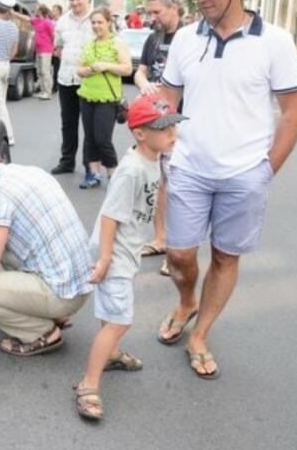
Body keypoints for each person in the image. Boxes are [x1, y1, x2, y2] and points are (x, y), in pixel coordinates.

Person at [157, 0, 297, 379]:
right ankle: (186, 300)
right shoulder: (186, 38)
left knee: (225, 258)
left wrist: (265, 171)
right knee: (180, 254)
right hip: (188, 168)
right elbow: (168, 101)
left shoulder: (275, 42)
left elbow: (293, 113)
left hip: (245, 175)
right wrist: (157, 147)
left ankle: (200, 333)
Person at [73, 94, 186, 421]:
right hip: (115, 252)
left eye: (173, 126)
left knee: (112, 312)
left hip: (124, 249)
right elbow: (110, 216)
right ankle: (89, 384)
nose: (172, 134)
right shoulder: (132, 169)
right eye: (163, 129)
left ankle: (110, 354)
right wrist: (107, 258)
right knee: (121, 319)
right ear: (140, 133)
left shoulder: (152, 158)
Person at [0, 137, 93, 356]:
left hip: (62, 294)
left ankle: (42, 332)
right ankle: (54, 313)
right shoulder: (31, 172)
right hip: (79, 282)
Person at [133, 0, 185, 273]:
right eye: (150, 12)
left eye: (157, 12)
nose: (152, 18)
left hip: (179, 122)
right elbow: (141, 70)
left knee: (179, 184)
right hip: (154, 120)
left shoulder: (190, 37)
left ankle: (177, 251)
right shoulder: (153, 38)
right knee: (159, 183)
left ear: (174, 7)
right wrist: (143, 83)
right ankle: (162, 239)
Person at [75, 7, 132, 189]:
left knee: (102, 139)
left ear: (109, 22)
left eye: (100, 22)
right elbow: (80, 69)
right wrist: (89, 69)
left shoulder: (117, 43)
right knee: (90, 138)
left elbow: (127, 69)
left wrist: (106, 65)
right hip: (87, 96)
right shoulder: (90, 44)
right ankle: (93, 174)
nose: (96, 26)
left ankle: (113, 175)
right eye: (93, 22)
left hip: (107, 100)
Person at [52, 0, 94, 175]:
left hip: (89, 81)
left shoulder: (97, 19)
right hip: (66, 80)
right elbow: (58, 48)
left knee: (89, 125)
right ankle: (67, 162)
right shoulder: (62, 21)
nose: (75, 2)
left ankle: (88, 165)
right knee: (68, 123)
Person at [0, 0, 20, 146]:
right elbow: (14, 51)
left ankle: (9, 135)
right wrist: (5, 58)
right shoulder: (14, 27)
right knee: (1, 100)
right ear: (9, 11)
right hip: (5, 64)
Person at [30, 5, 55, 100]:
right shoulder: (36, 21)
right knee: (39, 71)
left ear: (40, 11)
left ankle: (47, 92)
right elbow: (26, 18)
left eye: (37, 10)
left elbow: (53, 35)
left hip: (46, 50)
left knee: (45, 71)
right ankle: (42, 91)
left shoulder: (47, 22)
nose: (35, 11)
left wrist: (53, 47)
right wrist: (14, 13)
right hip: (38, 50)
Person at [51, 4, 64, 93]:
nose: (53, 12)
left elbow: (61, 37)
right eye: (52, 10)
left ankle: (56, 86)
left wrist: (57, 49)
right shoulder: (51, 21)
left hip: (57, 48)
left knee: (57, 69)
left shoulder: (62, 21)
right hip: (49, 47)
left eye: (54, 10)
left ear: (59, 11)